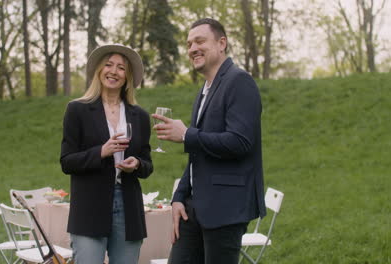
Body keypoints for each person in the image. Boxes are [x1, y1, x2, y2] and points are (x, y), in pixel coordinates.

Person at [152, 18, 266, 264]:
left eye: (200, 41)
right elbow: (198, 155)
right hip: (193, 209)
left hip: (225, 208)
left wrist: (186, 134)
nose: (192, 48)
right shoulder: (204, 90)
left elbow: (240, 142)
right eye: (189, 43)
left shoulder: (239, 82)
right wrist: (179, 197)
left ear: (222, 43)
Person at [60, 44, 153, 264]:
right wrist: (101, 152)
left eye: (121, 68)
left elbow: (148, 163)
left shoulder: (139, 115)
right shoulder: (77, 110)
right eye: (108, 65)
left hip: (128, 206)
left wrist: (137, 164)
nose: (113, 71)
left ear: (127, 76)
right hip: (89, 207)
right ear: (99, 70)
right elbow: (66, 162)